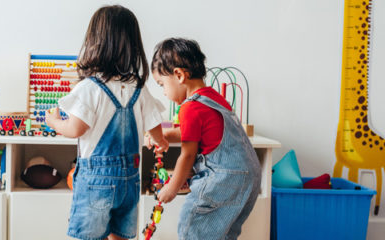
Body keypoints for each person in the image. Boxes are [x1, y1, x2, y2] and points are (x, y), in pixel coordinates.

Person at [45, 5, 168, 240]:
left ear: (94, 43)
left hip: (96, 181)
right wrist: (159, 141)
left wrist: (53, 122)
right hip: (130, 179)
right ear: (133, 46)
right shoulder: (139, 89)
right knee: (119, 235)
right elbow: (155, 127)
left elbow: (74, 129)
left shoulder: (89, 88)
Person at [149, 38, 261, 240]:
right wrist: (165, 135)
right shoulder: (213, 98)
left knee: (191, 226)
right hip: (249, 178)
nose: (165, 93)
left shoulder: (190, 107)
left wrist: (172, 188)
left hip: (224, 179)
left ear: (179, 75)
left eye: (162, 85)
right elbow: (194, 132)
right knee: (222, 234)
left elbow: (188, 154)